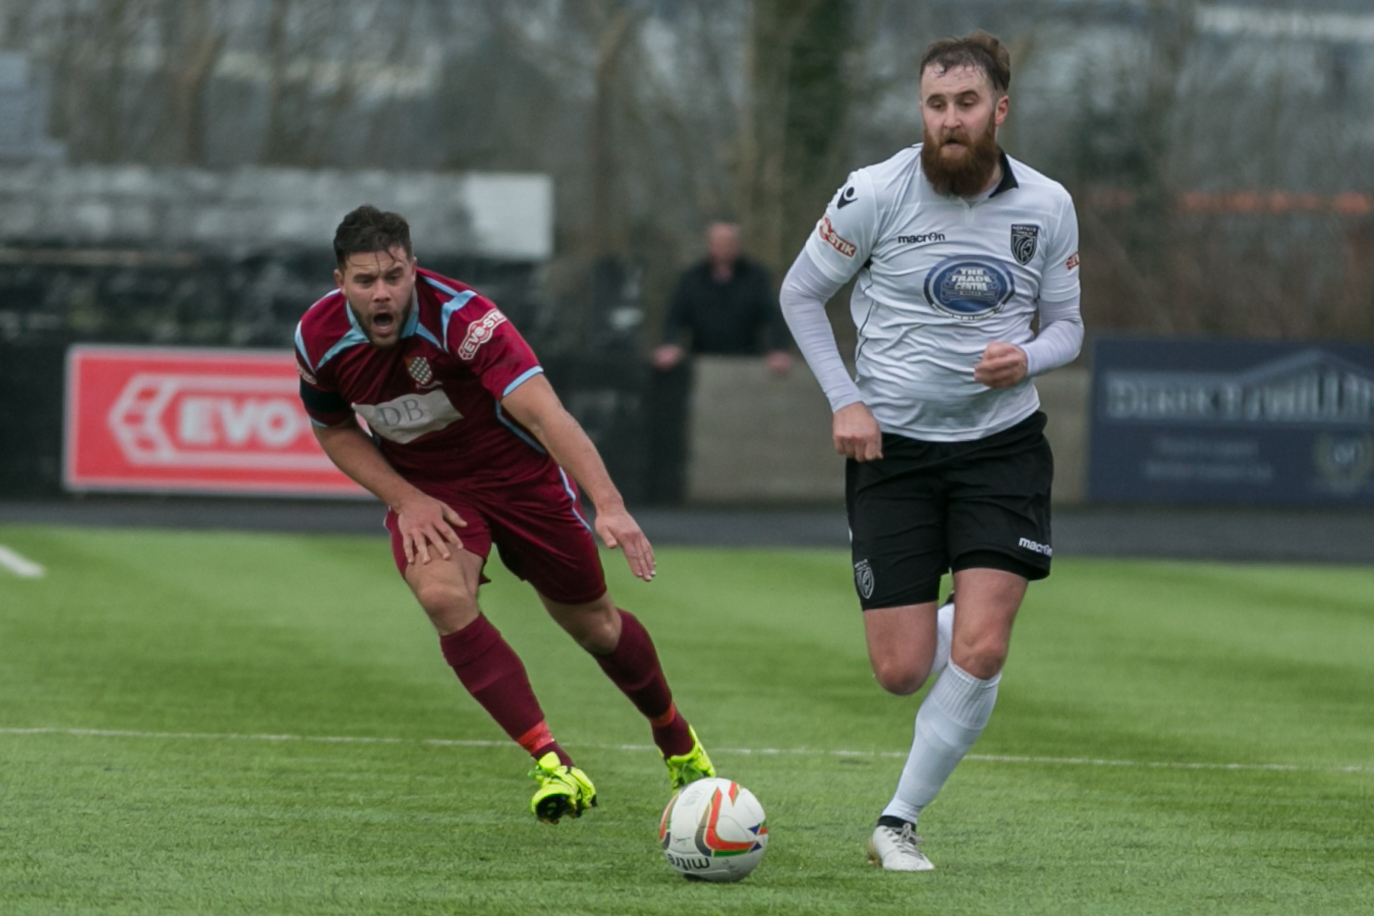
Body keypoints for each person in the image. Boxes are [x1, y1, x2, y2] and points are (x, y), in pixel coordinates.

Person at [294, 205, 715, 824]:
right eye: (365, 281)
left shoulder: (465, 321)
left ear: (414, 268)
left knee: (595, 627)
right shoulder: (317, 338)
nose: (381, 293)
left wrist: (612, 506)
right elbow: (332, 428)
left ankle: (676, 739)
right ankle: (550, 759)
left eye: (394, 276)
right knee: (441, 595)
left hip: (519, 480)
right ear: (340, 281)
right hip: (432, 489)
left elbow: (546, 416)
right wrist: (405, 499)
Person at [778, 31, 1084, 871]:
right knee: (902, 671)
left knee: (984, 648)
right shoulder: (873, 192)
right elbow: (800, 293)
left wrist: (1029, 357)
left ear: (1000, 110)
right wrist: (845, 399)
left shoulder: (1048, 206)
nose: (949, 121)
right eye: (936, 105)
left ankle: (897, 822)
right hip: (895, 457)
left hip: (1001, 447)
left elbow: (1068, 327)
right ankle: (950, 615)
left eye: (966, 105)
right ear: (922, 109)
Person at [653, 221, 793, 377]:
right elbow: (674, 316)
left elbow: (773, 316)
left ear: (738, 244)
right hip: (701, 363)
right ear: (709, 244)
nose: (724, 248)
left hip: (747, 362)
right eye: (718, 242)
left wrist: (778, 349)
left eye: (728, 242)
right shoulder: (692, 278)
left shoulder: (756, 277)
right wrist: (671, 345)